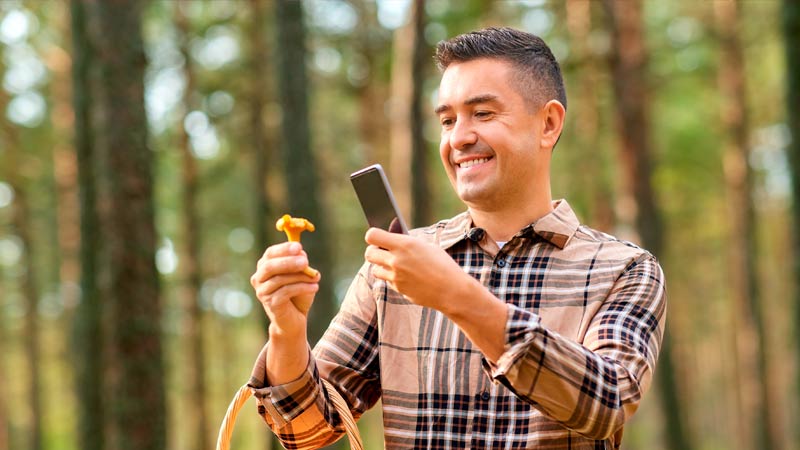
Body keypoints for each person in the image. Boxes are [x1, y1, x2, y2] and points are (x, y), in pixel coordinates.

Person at [249, 27, 666, 449]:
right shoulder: (392, 269)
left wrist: (457, 297)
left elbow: (607, 401)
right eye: (448, 120)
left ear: (549, 124)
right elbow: (305, 430)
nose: (458, 138)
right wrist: (287, 329)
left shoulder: (624, 269)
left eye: (482, 114)